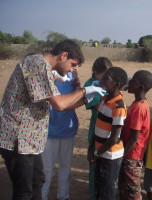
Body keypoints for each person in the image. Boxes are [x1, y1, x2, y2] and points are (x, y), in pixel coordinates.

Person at [0, 39, 105, 200]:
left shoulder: (46, 70)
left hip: (30, 140)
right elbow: (59, 104)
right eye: (72, 64)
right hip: (18, 138)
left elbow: (62, 105)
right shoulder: (36, 64)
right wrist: (84, 90)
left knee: (37, 181)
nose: (72, 69)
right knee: (24, 191)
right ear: (64, 55)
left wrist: (84, 99)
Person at [87, 67, 128, 200]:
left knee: (107, 190)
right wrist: (90, 147)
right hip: (99, 151)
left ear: (116, 85)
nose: (102, 80)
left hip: (110, 155)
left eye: (106, 78)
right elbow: (97, 125)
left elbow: (114, 139)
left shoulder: (119, 107)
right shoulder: (104, 99)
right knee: (99, 186)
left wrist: (96, 153)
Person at [41, 68, 80, 200]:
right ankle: (42, 196)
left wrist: (76, 78)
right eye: (72, 63)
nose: (72, 66)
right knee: (46, 169)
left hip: (67, 129)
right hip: (49, 131)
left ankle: (63, 195)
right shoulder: (48, 74)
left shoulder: (71, 76)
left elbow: (77, 95)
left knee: (65, 167)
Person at [118, 70, 152, 200]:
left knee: (133, 189)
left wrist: (121, 154)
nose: (130, 83)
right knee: (124, 186)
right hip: (130, 153)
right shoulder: (138, 104)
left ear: (141, 87)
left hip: (132, 155)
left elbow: (134, 138)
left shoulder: (139, 107)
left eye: (133, 81)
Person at [84, 57, 112, 200]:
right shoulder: (90, 84)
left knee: (107, 162)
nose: (107, 78)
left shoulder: (108, 81)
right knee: (94, 161)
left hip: (110, 129)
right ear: (95, 72)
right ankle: (94, 194)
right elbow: (98, 106)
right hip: (97, 128)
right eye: (104, 75)